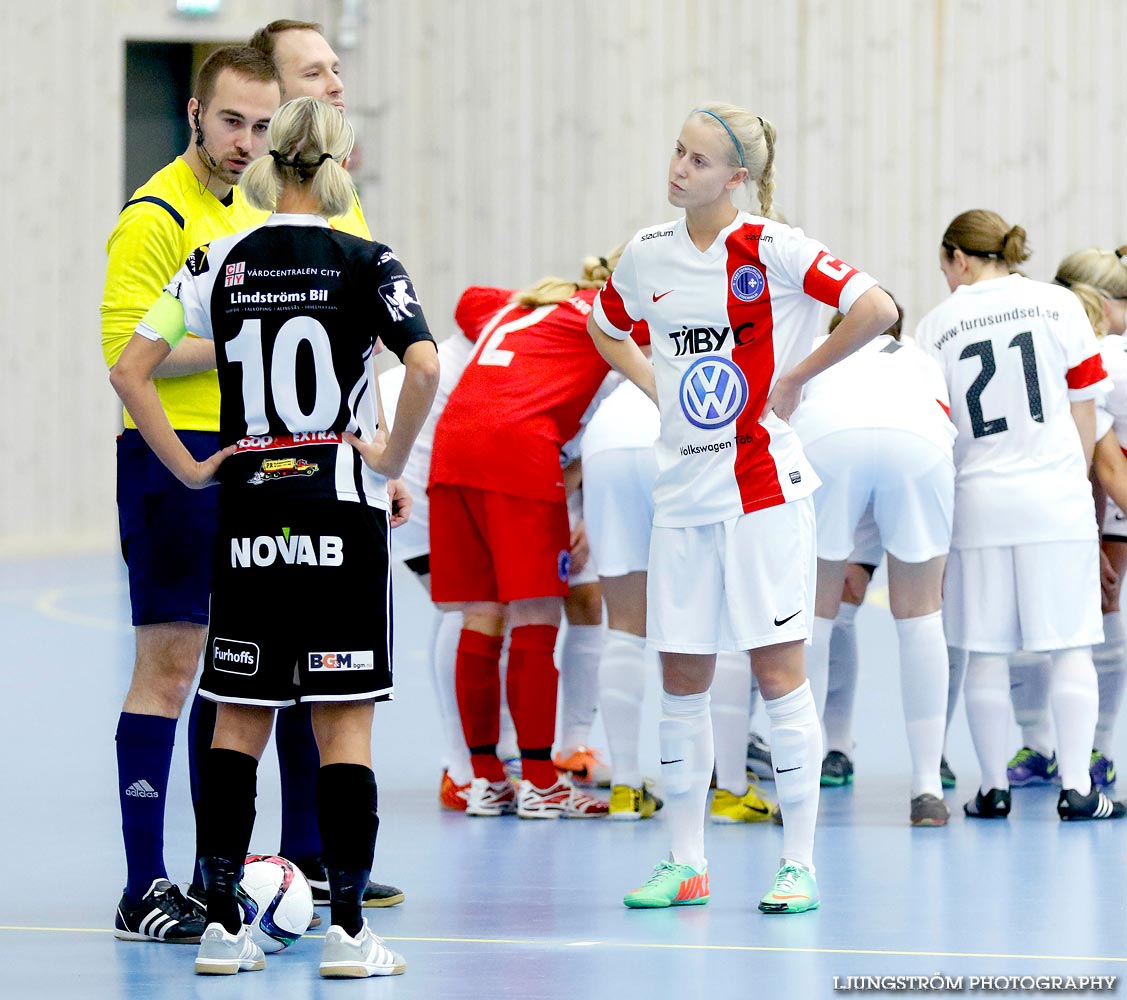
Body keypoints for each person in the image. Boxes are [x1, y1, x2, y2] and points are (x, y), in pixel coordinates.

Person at [109, 97, 438, 977]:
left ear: (272, 159)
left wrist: (185, 466)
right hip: (338, 506)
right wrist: (387, 457)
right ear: (340, 161)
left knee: (238, 720)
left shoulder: (215, 258)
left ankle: (221, 931)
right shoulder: (368, 259)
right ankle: (350, 936)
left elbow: (129, 369)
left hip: (251, 507)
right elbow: (426, 363)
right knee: (345, 728)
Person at [588, 103, 897, 912]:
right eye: (676, 151)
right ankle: (684, 862)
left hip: (762, 496)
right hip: (681, 498)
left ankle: (798, 864)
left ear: (737, 179)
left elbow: (876, 307)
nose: (677, 168)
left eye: (697, 160)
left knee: (776, 671)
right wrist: (654, 385)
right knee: (681, 676)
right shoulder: (645, 254)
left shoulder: (775, 247)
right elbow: (605, 328)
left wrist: (796, 376)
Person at [100, 45, 281, 944]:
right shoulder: (157, 215)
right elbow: (129, 360)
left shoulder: (249, 211)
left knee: (236, 668)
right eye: (231, 122)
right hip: (177, 460)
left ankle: (217, 876)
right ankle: (142, 888)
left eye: (261, 126)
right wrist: (265, 331)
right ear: (195, 118)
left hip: (248, 457)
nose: (246, 142)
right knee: (170, 667)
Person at [915, 210, 1124, 822]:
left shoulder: (935, 326)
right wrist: (1071, 479)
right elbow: (1086, 409)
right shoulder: (1058, 307)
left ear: (958, 258)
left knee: (983, 651)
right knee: (1070, 649)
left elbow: (938, 430)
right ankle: (1080, 788)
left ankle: (991, 787)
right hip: (1055, 498)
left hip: (976, 502)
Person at [428, 262, 648, 820]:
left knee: (480, 613)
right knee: (537, 616)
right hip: (518, 448)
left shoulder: (517, 307)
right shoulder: (606, 313)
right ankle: (541, 782)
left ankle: (484, 779)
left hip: (453, 447)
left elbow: (467, 297)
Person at [790, 302, 957, 826]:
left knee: (814, 616)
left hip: (828, 437)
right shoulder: (922, 359)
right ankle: (927, 788)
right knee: (920, 616)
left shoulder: (817, 358)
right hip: (920, 442)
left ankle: (802, 778)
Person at [1006, 251, 1127, 791]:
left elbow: (1101, 463)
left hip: (1081, 497)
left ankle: (1047, 744)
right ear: (1107, 304)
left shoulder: (1087, 346)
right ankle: (1091, 747)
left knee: (1049, 622)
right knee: (1098, 616)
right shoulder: (1096, 352)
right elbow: (1099, 463)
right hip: (1089, 495)